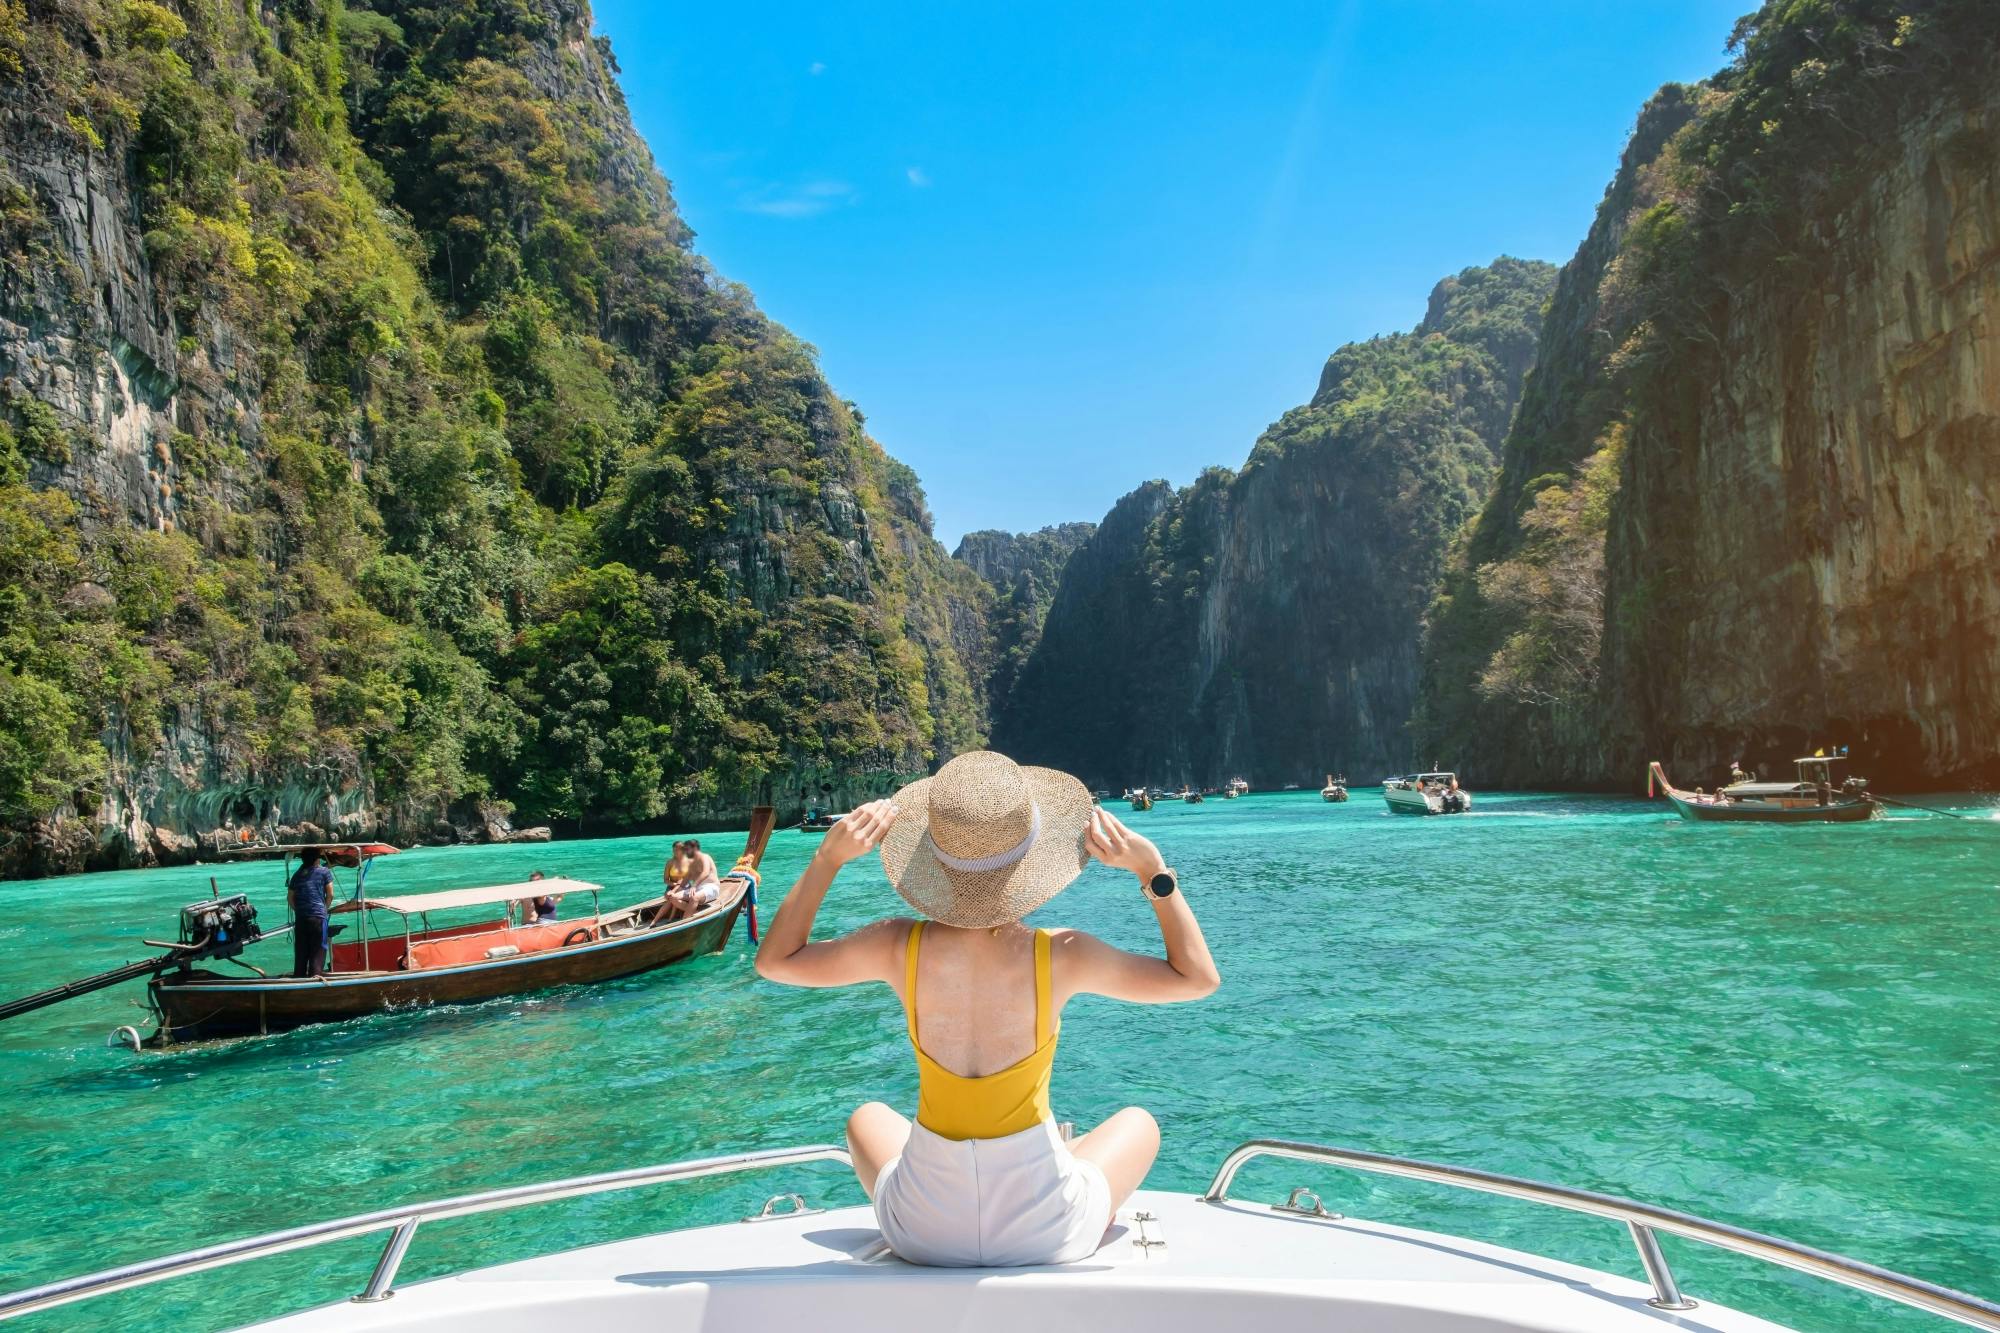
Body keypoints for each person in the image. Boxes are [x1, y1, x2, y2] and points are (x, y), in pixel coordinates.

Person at [755, 750, 1221, 1268]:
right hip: (1046, 1232)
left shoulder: (895, 946)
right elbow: (1196, 978)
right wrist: (1152, 871)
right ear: (1034, 859)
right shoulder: (1062, 955)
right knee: (1139, 1123)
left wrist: (826, 861)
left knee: (867, 1118)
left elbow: (777, 962)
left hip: (923, 1233)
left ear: (932, 854)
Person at [288, 848, 334, 977]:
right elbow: (330, 894)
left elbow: (289, 898)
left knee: (301, 952)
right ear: (317, 858)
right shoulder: (324, 872)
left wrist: (299, 910)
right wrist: (324, 910)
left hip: (301, 918)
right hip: (317, 917)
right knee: (317, 952)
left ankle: (299, 979)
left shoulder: (297, 875)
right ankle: (314, 980)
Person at [665, 839, 722, 916]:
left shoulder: (705, 857)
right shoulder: (692, 862)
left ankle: (684, 921)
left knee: (694, 898)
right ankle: (696, 912)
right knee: (673, 897)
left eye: (687, 849)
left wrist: (694, 886)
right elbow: (685, 879)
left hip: (711, 887)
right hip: (698, 889)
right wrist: (673, 892)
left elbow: (705, 872)